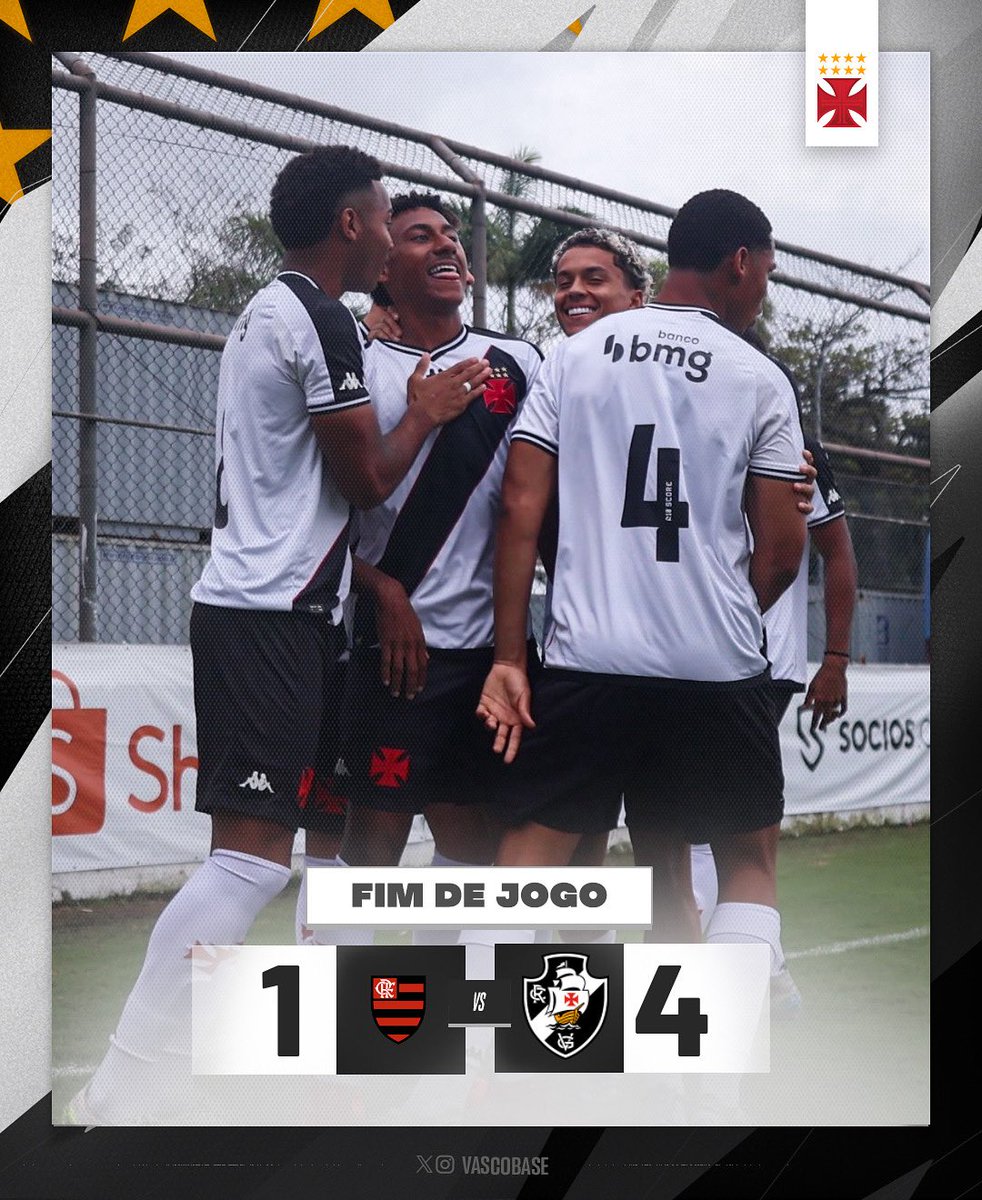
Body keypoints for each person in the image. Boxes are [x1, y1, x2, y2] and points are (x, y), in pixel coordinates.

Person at [68, 148, 490, 1125]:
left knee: (319, 850)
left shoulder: (279, 311)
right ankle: (121, 1087)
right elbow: (367, 479)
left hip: (295, 616)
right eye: (385, 219)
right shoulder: (316, 317)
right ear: (351, 224)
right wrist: (427, 412)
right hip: (268, 617)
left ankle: (312, 1064)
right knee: (251, 861)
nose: (390, 237)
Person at [478, 191, 808, 961]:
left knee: (528, 864)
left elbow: (519, 508)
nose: (763, 289)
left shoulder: (573, 356)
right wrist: (718, 611)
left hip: (589, 659)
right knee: (742, 869)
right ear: (741, 262)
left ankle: (476, 1033)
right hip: (714, 666)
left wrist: (509, 656)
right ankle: (708, 1040)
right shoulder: (759, 376)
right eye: (767, 272)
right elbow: (783, 553)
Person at [296, 192, 542, 974]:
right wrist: (380, 588)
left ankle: (441, 1008)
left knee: (475, 847)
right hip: (386, 655)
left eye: (451, 236)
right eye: (417, 236)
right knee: (369, 847)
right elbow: (313, 517)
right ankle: (334, 1016)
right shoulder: (357, 363)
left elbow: (539, 499)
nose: (445, 246)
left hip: (489, 658)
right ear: (383, 268)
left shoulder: (519, 362)